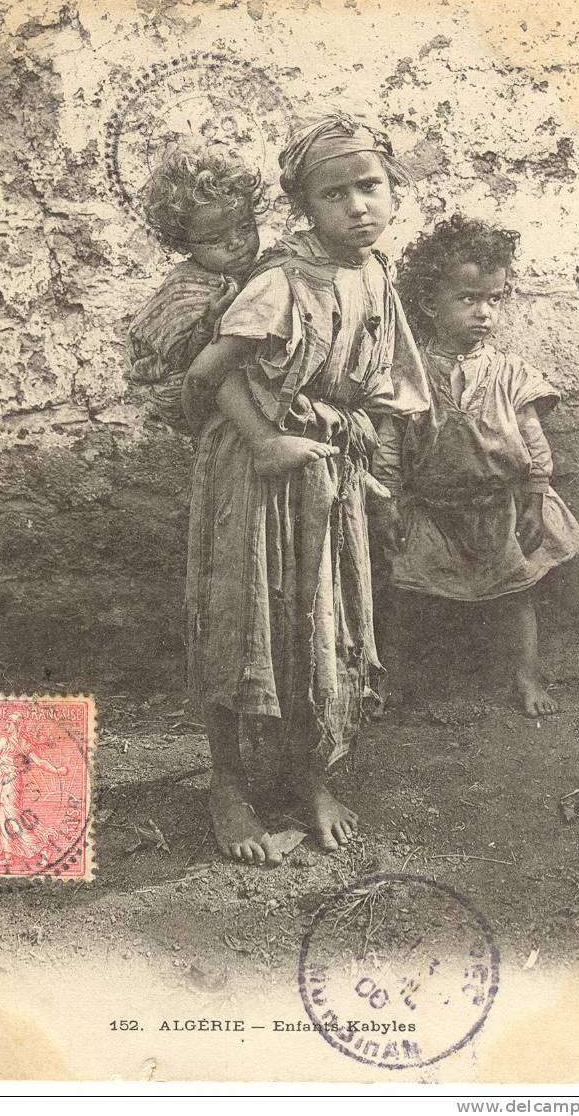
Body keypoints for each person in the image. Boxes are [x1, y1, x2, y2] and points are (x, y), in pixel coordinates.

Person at [182, 113, 429, 865]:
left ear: (394, 192)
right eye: (334, 195)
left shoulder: (375, 275)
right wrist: (259, 442)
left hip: (329, 472)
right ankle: (227, 785)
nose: (357, 206)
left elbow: (385, 385)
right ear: (305, 208)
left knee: (323, 622)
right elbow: (205, 374)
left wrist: (373, 473)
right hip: (256, 478)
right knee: (246, 617)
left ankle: (307, 774)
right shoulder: (279, 282)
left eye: (369, 187)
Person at [374, 214, 579, 718]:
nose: (484, 313)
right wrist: (386, 504)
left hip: (499, 509)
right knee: (405, 597)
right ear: (430, 303)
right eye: (468, 299)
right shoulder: (409, 373)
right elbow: (388, 444)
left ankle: (526, 674)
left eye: (494, 299)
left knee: (517, 594)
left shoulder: (511, 374)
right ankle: (392, 682)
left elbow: (534, 446)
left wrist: (533, 501)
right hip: (430, 510)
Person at [128, 138, 264, 430]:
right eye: (215, 239)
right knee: (223, 369)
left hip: (230, 378)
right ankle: (263, 441)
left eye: (245, 226)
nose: (237, 243)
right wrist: (211, 319)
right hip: (182, 386)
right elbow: (179, 356)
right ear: (182, 242)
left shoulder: (254, 271)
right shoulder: (185, 286)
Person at [0, 712, 69, 865]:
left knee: (13, 819)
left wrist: (57, 771)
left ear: (16, 725)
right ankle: (8, 857)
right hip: (5, 784)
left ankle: (43, 848)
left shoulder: (6, 741)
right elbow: (39, 762)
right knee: (4, 819)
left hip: (10, 785)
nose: (6, 725)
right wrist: (57, 770)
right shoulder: (20, 743)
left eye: (9, 722)